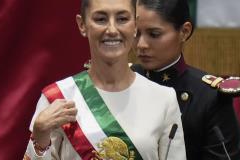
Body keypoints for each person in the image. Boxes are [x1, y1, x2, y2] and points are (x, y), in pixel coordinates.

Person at [23, 0, 186, 159]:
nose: (112, 29)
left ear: (135, 25)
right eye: (101, 19)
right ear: (82, 24)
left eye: (122, 19)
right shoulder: (58, 97)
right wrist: (40, 135)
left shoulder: (164, 99)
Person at [131, 0, 240, 159]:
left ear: (184, 31)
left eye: (154, 34)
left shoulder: (209, 97)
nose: (141, 44)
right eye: (136, 33)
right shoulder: (123, 80)